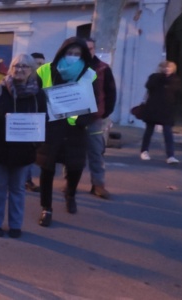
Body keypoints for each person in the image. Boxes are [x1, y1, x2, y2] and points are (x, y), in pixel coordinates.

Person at [0, 54, 47, 238]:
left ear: (31, 70)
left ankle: (16, 225)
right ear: (10, 68)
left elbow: (44, 120)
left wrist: (36, 141)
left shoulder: (38, 95)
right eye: (16, 66)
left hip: (24, 151)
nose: (19, 69)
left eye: (24, 66)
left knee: (18, 189)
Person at [34, 37, 98, 227]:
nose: (72, 57)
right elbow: (36, 96)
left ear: (83, 56)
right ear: (62, 52)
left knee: (75, 167)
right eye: (69, 53)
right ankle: (46, 207)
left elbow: (94, 103)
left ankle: (70, 194)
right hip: (50, 127)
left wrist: (83, 120)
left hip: (75, 129)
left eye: (77, 54)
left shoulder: (89, 75)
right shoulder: (45, 70)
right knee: (47, 168)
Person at [83, 38, 117, 199]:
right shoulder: (71, 68)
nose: (88, 51)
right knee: (70, 152)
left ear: (94, 49)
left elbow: (111, 92)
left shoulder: (103, 68)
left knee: (96, 152)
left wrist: (104, 113)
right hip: (72, 118)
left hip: (94, 119)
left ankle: (98, 184)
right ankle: (70, 182)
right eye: (85, 48)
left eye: (90, 48)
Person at [139, 61, 181, 164]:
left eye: (169, 67)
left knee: (168, 132)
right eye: (165, 67)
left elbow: (178, 93)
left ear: (173, 69)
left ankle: (170, 156)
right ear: (160, 68)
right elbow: (149, 86)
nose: (167, 69)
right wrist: (160, 77)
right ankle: (144, 151)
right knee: (149, 130)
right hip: (153, 107)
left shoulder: (175, 79)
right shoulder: (154, 77)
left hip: (167, 109)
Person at [23, 52, 47, 193]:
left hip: (36, 124)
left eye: (42, 64)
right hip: (23, 124)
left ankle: (27, 179)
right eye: (37, 64)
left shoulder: (45, 81)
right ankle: (25, 180)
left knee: (33, 155)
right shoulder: (22, 81)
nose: (40, 67)